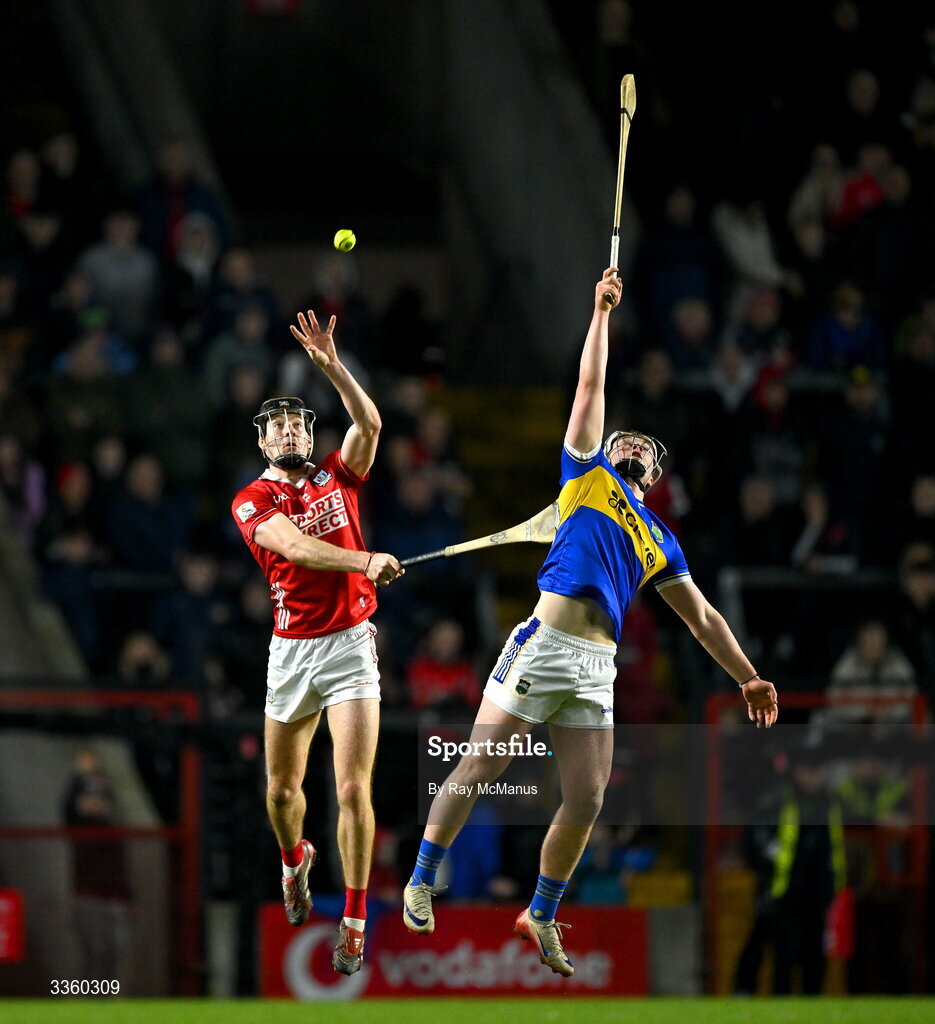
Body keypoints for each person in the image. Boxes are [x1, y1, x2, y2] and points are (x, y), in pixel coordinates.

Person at [402, 268, 779, 976]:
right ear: (610, 453)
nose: (632, 448)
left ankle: (539, 913)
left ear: (655, 475)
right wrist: (600, 314)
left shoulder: (660, 538)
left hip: (595, 668)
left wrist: (747, 676)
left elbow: (699, 617)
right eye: (625, 441)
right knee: (483, 764)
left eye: (645, 450)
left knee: (587, 796)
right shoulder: (584, 477)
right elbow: (587, 391)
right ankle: (423, 875)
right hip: (542, 641)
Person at [230, 309, 404, 976]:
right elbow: (297, 549)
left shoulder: (338, 476)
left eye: (299, 422)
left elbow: (371, 425)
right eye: (277, 426)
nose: (291, 431)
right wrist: (363, 562)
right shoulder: (252, 500)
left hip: (351, 645)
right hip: (292, 651)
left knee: (353, 791)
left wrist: (334, 368)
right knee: (280, 795)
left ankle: (355, 920)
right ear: (263, 443)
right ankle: (293, 860)